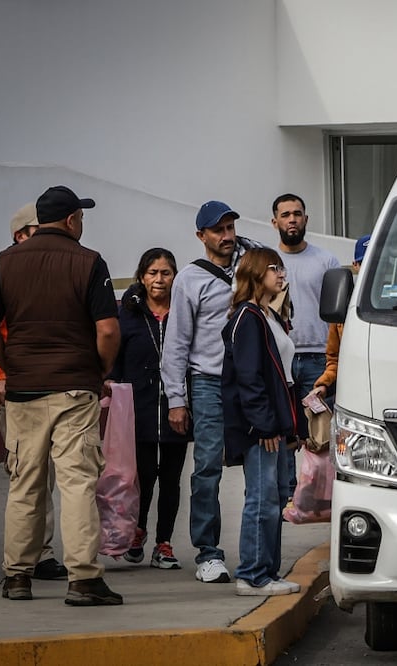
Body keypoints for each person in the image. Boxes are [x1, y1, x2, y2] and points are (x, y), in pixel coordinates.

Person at [0, 185, 122, 606]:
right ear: (72, 219)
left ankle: (17, 577)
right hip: (74, 388)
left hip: (24, 392)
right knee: (77, 482)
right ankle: (83, 579)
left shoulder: (6, 262)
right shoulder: (89, 261)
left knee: (25, 483)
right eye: (81, 216)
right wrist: (100, 368)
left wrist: (11, 367)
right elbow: (108, 330)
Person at [0, 203, 68, 581]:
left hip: (45, 385)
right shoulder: (0, 274)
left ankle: (38, 554)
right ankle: (27, 558)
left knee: (45, 474)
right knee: (26, 473)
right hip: (14, 389)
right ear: (22, 235)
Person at [161, 200, 253, 584]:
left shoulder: (250, 267)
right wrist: (176, 400)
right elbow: (177, 343)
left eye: (231, 228)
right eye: (218, 230)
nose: (227, 236)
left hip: (250, 383)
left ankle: (256, 553)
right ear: (201, 236)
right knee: (207, 468)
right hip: (208, 383)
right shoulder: (188, 280)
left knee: (260, 467)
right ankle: (208, 553)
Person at [221, 248, 301, 596]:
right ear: (256, 273)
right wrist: (264, 425)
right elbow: (249, 377)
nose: (281, 274)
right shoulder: (247, 317)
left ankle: (267, 570)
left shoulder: (268, 315)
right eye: (274, 268)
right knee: (262, 497)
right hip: (261, 427)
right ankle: (252, 574)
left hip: (276, 423)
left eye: (281, 268)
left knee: (277, 495)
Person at [107, 248, 189, 570]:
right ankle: (138, 530)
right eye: (153, 273)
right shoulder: (127, 312)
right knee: (142, 476)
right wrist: (111, 380)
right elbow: (114, 354)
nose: (159, 279)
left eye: (166, 273)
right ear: (142, 276)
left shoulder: (182, 311)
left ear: (174, 277)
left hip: (176, 407)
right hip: (137, 408)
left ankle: (164, 543)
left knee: (171, 478)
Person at [269, 194, 341, 459]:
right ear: (274, 220)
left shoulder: (327, 261)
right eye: (285, 215)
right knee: (283, 436)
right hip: (278, 360)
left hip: (318, 360)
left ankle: (315, 497)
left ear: (306, 219)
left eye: (297, 214)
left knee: (319, 435)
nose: (292, 220)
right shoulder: (267, 262)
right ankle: (287, 494)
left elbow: (340, 316)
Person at [307, 234, 370, 407]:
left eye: (377, 262)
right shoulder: (344, 305)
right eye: (366, 262)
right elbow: (334, 359)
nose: (372, 268)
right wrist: (323, 384)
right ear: (355, 266)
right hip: (353, 392)